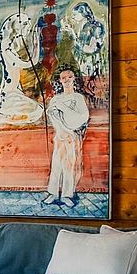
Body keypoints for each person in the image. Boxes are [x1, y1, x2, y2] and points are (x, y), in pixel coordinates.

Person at [43, 66, 90, 208]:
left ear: (74, 78)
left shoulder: (78, 98)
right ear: (60, 80)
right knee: (56, 164)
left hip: (72, 137)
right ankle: (53, 193)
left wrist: (64, 111)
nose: (67, 80)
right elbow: (52, 116)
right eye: (63, 78)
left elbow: (82, 117)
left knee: (69, 165)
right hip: (60, 136)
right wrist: (62, 130)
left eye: (69, 77)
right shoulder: (56, 99)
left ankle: (67, 195)